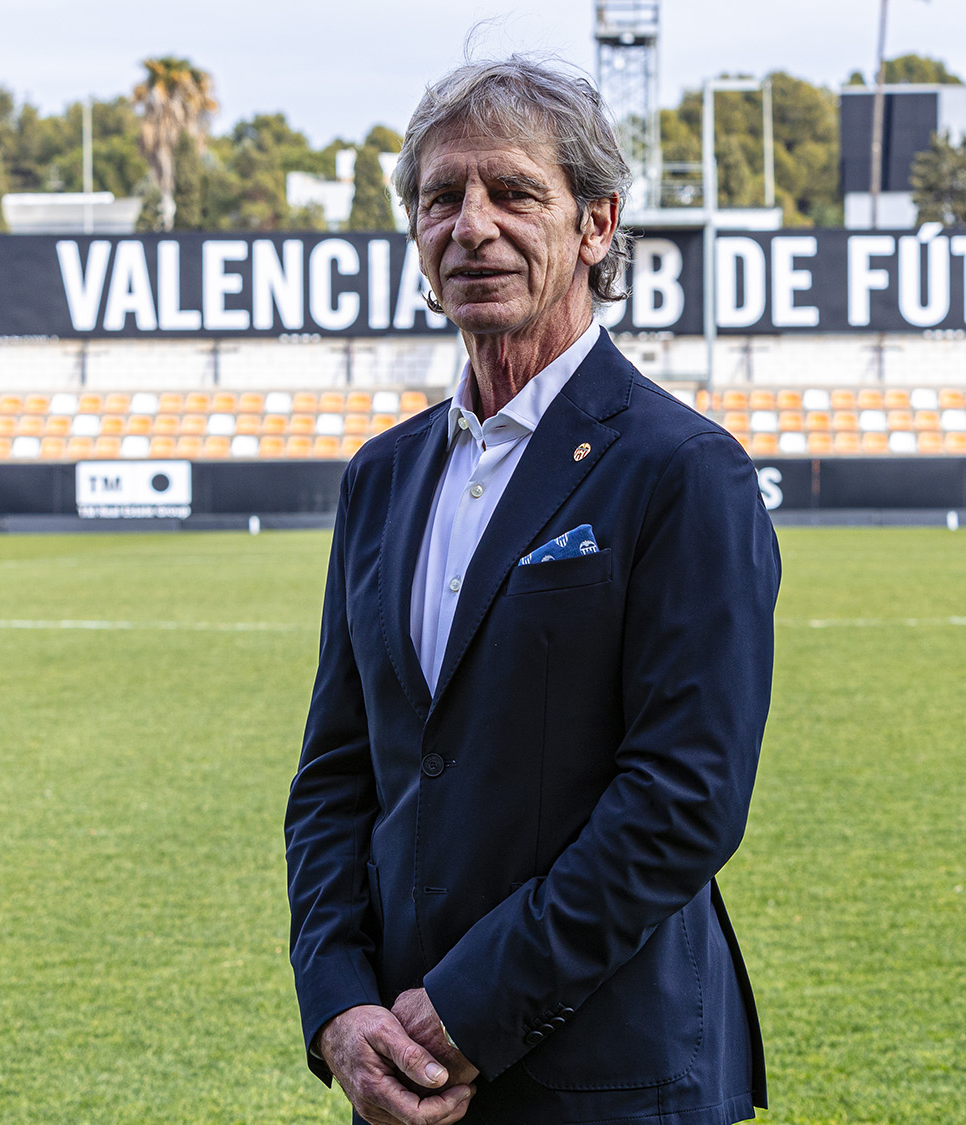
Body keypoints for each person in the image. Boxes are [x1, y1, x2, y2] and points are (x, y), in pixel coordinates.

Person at [284, 54, 781, 1125]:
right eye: (440, 198)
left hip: (611, 1080)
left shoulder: (682, 469)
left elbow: (682, 801)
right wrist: (337, 1005)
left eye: (512, 192)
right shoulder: (380, 476)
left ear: (597, 224)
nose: (471, 226)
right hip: (401, 1075)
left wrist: (468, 1007)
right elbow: (336, 775)